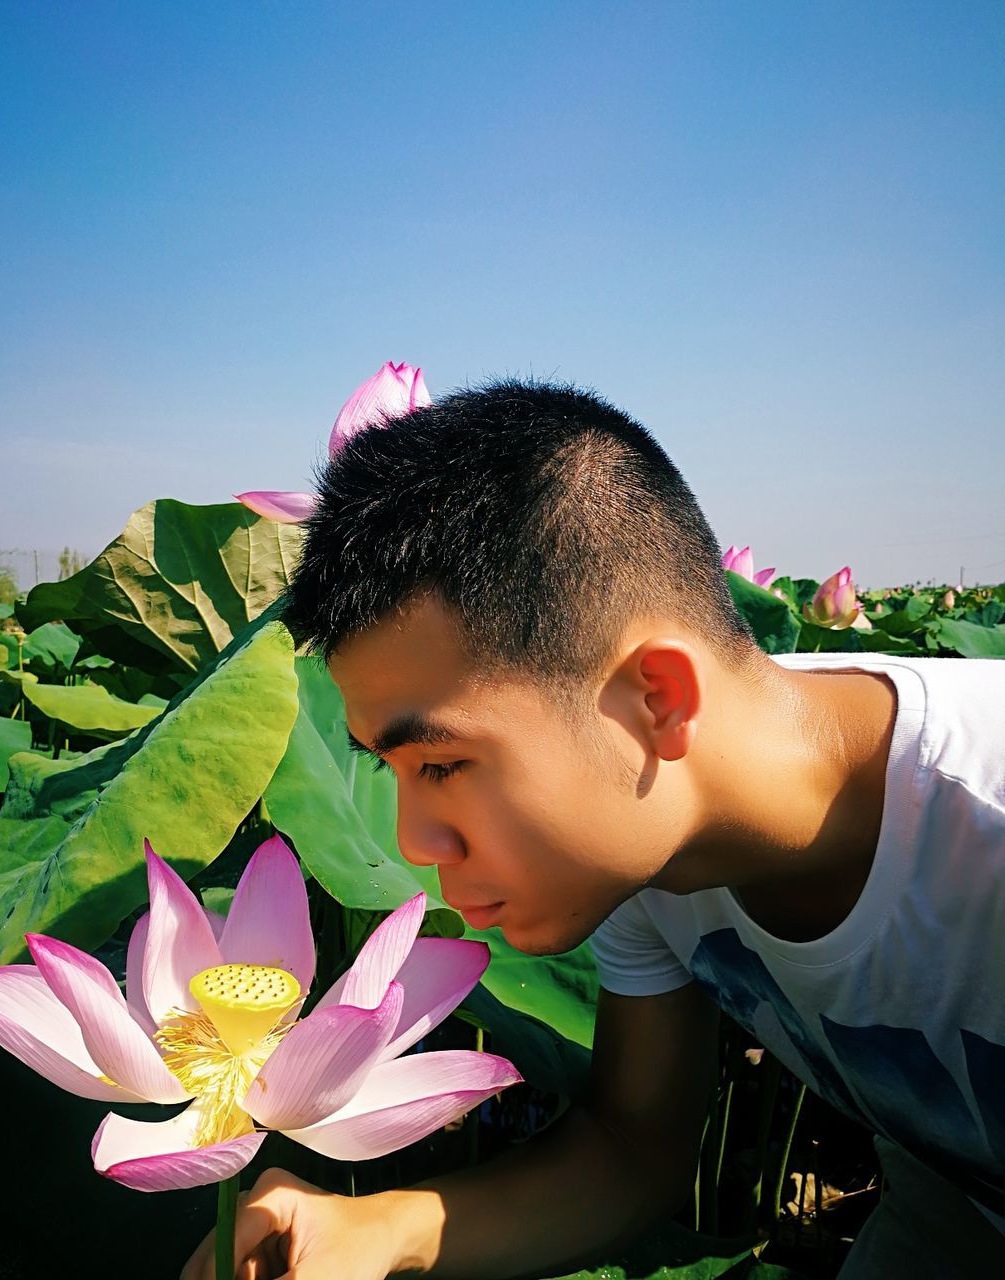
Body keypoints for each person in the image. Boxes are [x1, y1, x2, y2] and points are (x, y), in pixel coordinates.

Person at [183, 381, 1005, 1279]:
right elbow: (631, 1149)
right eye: (392, 769)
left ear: (657, 698)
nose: (414, 843)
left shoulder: (985, 829)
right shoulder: (646, 866)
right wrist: (376, 1231)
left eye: (444, 765)